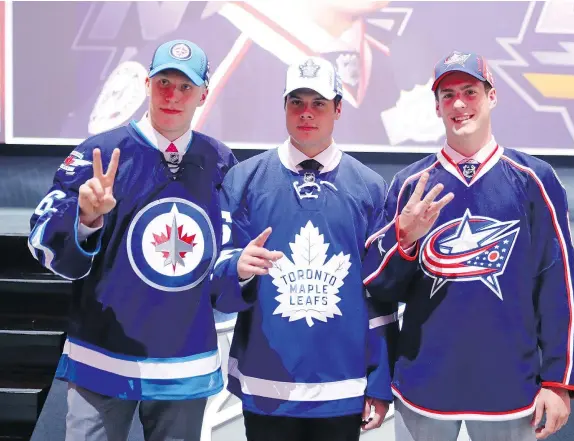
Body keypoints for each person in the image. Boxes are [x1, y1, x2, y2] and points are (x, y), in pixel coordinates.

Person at [362, 51, 574, 441]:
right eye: (448, 95)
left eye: (470, 91)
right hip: (423, 387)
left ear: (492, 96)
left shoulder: (535, 180)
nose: (459, 104)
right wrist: (406, 239)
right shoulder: (409, 184)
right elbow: (378, 287)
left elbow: (558, 287)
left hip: (511, 390)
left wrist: (558, 381)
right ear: (436, 107)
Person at [28, 39, 237, 441]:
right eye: (163, 83)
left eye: (185, 87)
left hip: (184, 364)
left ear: (203, 94)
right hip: (103, 357)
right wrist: (85, 218)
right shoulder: (100, 153)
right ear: (146, 84)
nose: (172, 96)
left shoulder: (220, 161)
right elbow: (44, 236)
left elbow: (228, 254)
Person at [211, 56, 393, 441]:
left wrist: (378, 381)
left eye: (318, 103)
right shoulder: (244, 180)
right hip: (267, 384)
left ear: (338, 109)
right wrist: (237, 269)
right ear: (284, 107)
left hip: (342, 388)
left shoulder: (370, 187)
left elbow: (378, 291)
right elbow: (220, 290)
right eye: (296, 102)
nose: (306, 113)